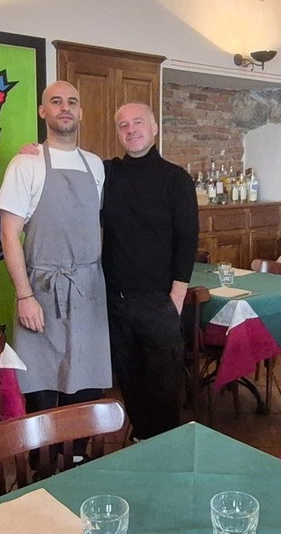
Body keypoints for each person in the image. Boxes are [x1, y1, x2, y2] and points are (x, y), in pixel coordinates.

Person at [0, 80, 111, 415]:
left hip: (89, 291)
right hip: (42, 292)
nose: (65, 108)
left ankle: (79, 446)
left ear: (81, 112)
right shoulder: (25, 164)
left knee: (86, 391)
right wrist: (24, 296)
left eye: (72, 102)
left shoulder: (96, 165)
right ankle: (45, 451)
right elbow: (9, 234)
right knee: (41, 389)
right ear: (43, 111)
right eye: (56, 101)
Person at [102, 102, 199, 439]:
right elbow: (69, 164)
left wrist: (176, 296)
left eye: (138, 122)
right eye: (123, 125)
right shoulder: (107, 174)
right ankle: (141, 440)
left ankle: (166, 450)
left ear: (154, 128)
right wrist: (36, 153)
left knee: (164, 388)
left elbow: (187, 239)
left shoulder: (176, 179)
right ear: (118, 133)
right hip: (116, 301)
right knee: (130, 383)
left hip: (159, 302)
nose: (131, 129)